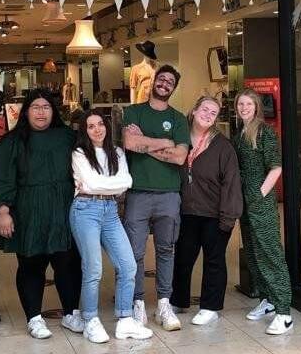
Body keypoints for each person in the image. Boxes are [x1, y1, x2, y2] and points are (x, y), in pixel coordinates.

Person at [0, 88, 85, 339]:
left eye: (46, 107)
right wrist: (2, 211)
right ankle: (34, 318)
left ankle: (71, 313)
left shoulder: (67, 137)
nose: (41, 112)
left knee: (68, 264)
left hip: (65, 210)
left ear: (54, 112)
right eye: (36, 108)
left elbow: (90, 164)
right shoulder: (13, 141)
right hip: (29, 212)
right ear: (26, 112)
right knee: (31, 265)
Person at [69, 111, 154, 343]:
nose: (97, 129)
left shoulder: (116, 152)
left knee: (128, 265)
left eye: (100, 124)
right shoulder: (79, 153)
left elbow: (127, 182)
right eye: (90, 126)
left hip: (110, 212)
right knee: (93, 269)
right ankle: (90, 320)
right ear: (84, 131)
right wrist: (110, 185)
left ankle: (125, 319)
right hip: (85, 210)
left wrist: (105, 185)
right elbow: (92, 184)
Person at [121, 64, 189, 331]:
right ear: (153, 82)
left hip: (169, 195)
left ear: (173, 88)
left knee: (166, 250)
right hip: (138, 194)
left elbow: (181, 156)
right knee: (134, 253)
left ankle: (163, 302)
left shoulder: (179, 118)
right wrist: (165, 142)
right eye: (161, 79)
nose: (164, 84)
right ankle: (137, 303)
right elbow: (129, 143)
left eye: (170, 81)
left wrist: (146, 144)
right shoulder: (133, 112)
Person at [170, 96, 242, 326]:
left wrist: (228, 218)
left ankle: (210, 307)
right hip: (186, 212)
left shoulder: (223, 146)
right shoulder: (180, 139)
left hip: (214, 214)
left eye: (213, 113)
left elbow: (232, 183)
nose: (208, 115)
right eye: (205, 109)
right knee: (183, 259)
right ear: (194, 110)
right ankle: (178, 300)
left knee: (214, 261)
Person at [232, 88, 294, 335]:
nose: (244, 108)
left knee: (270, 254)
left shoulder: (265, 132)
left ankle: (284, 312)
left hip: (260, 204)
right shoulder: (239, 134)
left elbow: (276, 168)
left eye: (248, 104)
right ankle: (268, 300)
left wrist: (260, 194)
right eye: (240, 104)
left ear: (257, 106)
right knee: (254, 254)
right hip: (245, 204)